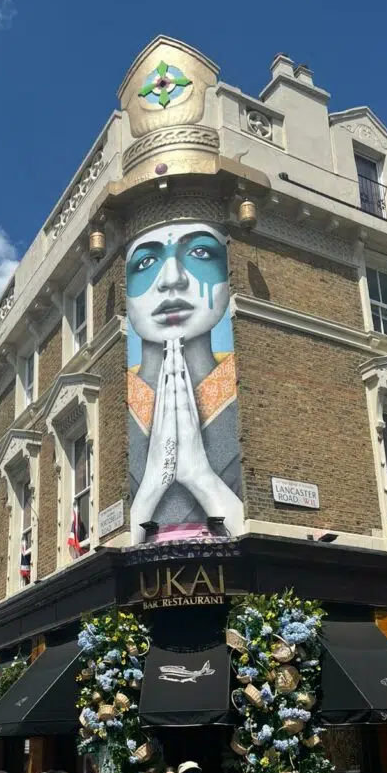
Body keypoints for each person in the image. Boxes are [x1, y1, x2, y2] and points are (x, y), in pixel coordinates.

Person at [126, 221, 244, 542]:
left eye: (200, 252)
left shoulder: (248, 390)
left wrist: (201, 476)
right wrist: (152, 485)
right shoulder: (117, 409)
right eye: (146, 262)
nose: (172, 278)